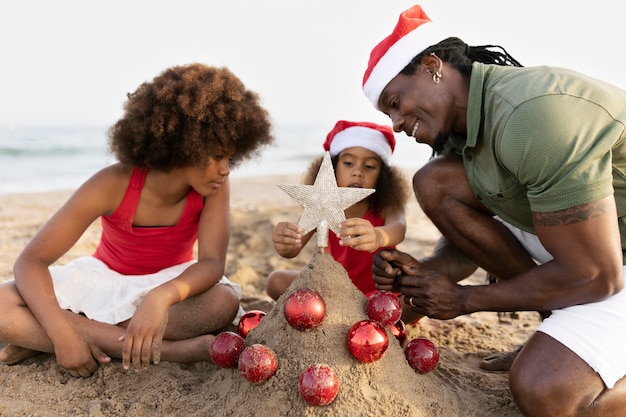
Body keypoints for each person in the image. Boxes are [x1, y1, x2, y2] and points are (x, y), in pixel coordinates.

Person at [362, 4, 626, 417]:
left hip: (603, 265)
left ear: (433, 66)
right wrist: (425, 273)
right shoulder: (465, 128)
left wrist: (466, 300)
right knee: (434, 181)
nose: (395, 122)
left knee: (547, 391)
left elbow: (597, 275)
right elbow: (472, 243)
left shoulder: (532, 116)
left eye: (395, 102)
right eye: (388, 113)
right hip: (595, 250)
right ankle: (562, 327)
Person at [0, 63, 274, 377]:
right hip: (104, 280)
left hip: (171, 284)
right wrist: (61, 335)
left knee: (222, 303)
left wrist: (159, 298)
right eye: (216, 156)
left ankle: (51, 334)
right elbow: (31, 261)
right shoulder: (112, 183)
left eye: (230, 158)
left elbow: (211, 264)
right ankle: (170, 351)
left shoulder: (214, 187)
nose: (226, 169)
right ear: (183, 144)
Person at [265, 120, 418, 321]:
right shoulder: (319, 204)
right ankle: (352, 317)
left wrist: (379, 236)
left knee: (417, 300)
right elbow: (294, 247)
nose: (358, 171)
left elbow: (399, 228)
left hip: (376, 292)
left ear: (383, 176)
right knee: (275, 281)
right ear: (332, 168)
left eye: (370, 166)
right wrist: (285, 242)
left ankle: (345, 317)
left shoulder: (386, 205)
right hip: (331, 290)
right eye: (348, 163)